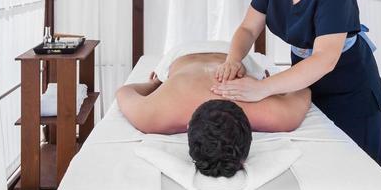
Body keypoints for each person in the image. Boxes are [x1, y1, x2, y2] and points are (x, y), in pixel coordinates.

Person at [211, 0, 381, 165]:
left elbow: (325, 59)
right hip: (305, 82)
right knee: (317, 164)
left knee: (356, 167)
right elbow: (248, 28)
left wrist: (262, 89)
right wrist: (233, 59)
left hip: (350, 88)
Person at [115, 51, 311, 177]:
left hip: (186, 54)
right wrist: (268, 86)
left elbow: (123, 92)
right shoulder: (152, 117)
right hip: (222, 54)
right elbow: (303, 89)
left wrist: (154, 84)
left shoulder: (275, 116)